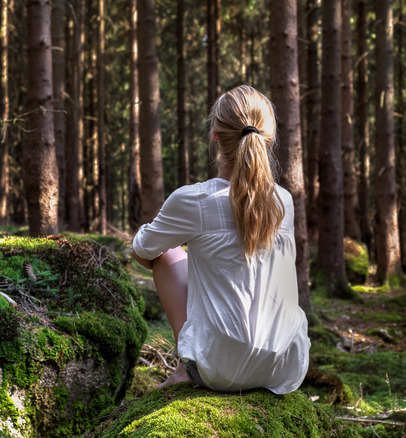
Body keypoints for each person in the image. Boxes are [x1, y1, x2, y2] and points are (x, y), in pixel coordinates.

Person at [131, 85, 310, 394]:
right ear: (268, 136)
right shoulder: (284, 201)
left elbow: (142, 250)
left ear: (215, 135)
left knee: (167, 253)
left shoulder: (193, 200)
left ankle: (189, 366)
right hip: (285, 367)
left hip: (219, 370)